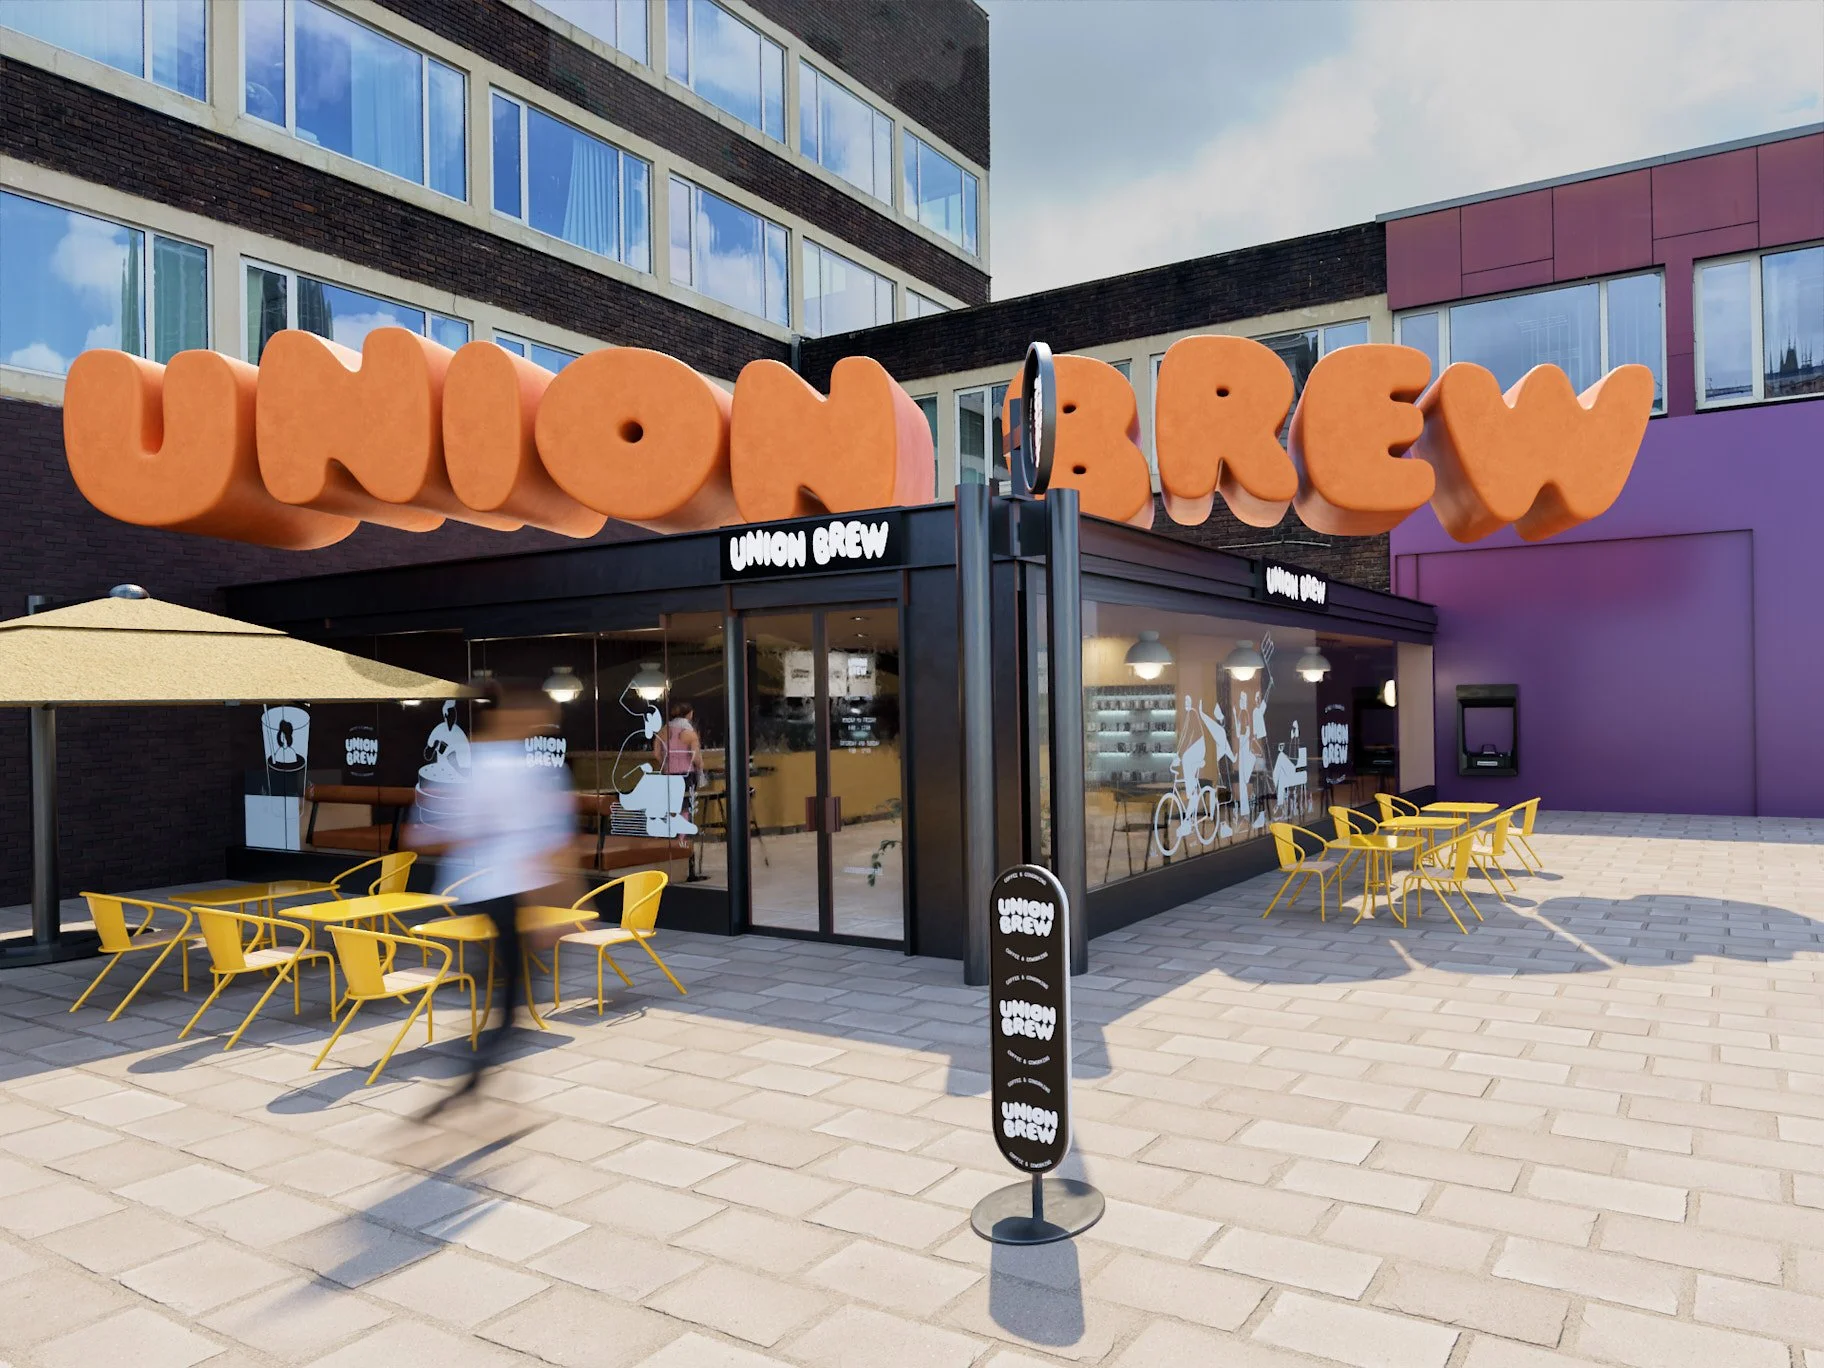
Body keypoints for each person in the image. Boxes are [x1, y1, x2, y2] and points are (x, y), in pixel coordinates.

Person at [423, 681, 575, 1115]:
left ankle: (479, 1072)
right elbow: (556, 843)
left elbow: (453, 826)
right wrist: (563, 906)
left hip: (472, 891)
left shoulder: (476, 759)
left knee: (498, 989)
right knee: (512, 1001)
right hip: (507, 891)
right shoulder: (532, 771)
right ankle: (474, 1075)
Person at [652, 701, 704, 820]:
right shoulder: (690, 733)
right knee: (685, 805)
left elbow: (656, 753)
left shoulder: (663, 730)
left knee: (671, 803)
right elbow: (696, 757)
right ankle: (682, 835)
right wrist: (700, 767)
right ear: (689, 714)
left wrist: (665, 764)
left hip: (669, 772)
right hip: (686, 772)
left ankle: (671, 832)